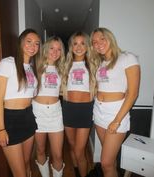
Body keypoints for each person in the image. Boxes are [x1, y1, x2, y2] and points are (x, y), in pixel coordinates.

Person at [91, 27, 140, 177]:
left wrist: (117, 120)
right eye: (94, 42)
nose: (98, 44)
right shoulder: (100, 63)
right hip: (99, 111)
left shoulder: (127, 58)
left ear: (110, 38)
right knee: (110, 162)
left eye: (102, 39)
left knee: (105, 162)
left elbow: (132, 94)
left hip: (116, 113)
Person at [0, 28, 41, 177]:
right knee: (19, 173)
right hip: (10, 121)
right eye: (29, 41)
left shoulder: (32, 68)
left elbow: (30, 95)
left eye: (36, 44)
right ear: (21, 42)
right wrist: (0, 129)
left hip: (27, 117)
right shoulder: (7, 63)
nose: (32, 46)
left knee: (27, 164)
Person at [61, 31, 97, 177]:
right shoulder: (65, 65)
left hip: (85, 110)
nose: (79, 46)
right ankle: (76, 171)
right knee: (71, 146)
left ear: (88, 46)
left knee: (79, 150)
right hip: (68, 108)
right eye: (75, 43)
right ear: (71, 46)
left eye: (83, 43)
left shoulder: (93, 65)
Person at [32, 36, 65, 177]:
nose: (55, 52)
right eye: (52, 47)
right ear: (46, 48)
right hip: (37, 112)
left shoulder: (63, 69)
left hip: (55, 113)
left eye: (59, 49)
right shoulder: (35, 67)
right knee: (40, 150)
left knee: (57, 154)